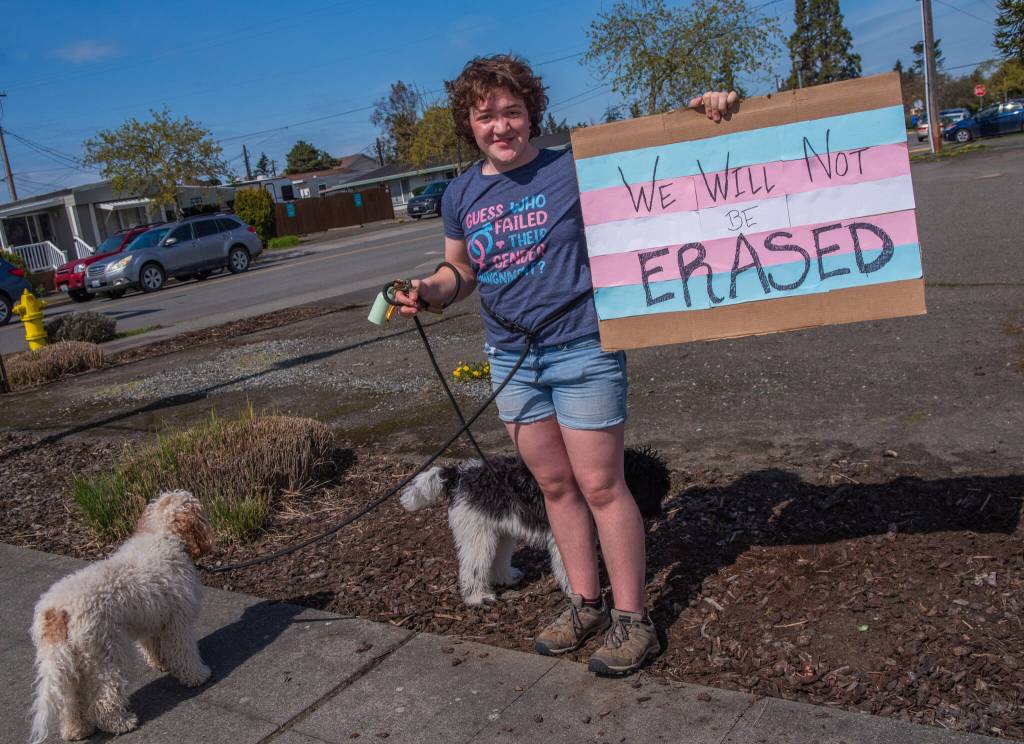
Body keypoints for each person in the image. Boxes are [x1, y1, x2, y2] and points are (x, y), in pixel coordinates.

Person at [395, 54, 739, 676]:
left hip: (582, 346)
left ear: (531, 115)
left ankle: (634, 620)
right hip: (511, 359)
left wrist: (704, 113)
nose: (500, 126)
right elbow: (461, 271)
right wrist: (429, 288)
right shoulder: (461, 193)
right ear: (468, 124)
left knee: (602, 486)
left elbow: (662, 164)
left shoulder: (573, 168)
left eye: (511, 112)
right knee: (556, 488)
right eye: (485, 116)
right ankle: (584, 603)